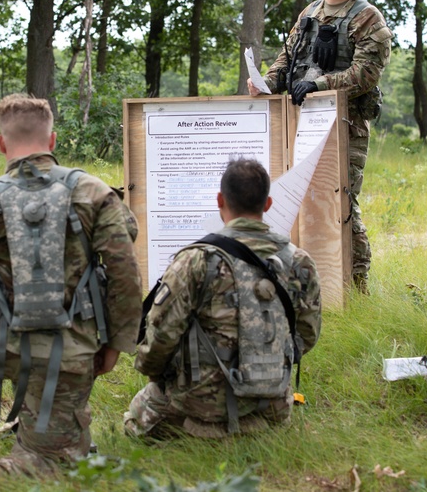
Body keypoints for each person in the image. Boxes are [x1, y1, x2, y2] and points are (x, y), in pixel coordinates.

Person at [0, 93, 142, 491]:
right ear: (52, 141)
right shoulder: (96, 195)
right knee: (53, 464)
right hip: (72, 356)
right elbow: (125, 277)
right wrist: (114, 345)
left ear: (1, 144)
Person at [124, 158, 321, 439]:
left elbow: (160, 336)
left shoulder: (195, 260)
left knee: (136, 413)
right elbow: (307, 334)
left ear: (220, 200)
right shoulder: (299, 261)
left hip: (201, 405)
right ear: (267, 204)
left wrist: (156, 374)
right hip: (272, 404)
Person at [249, 0, 393, 292]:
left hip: (346, 124)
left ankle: (357, 286)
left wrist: (319, 85)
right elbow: (287, 59)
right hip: (301, 121)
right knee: (300, 199)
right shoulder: (309, 13)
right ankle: (313, 281)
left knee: (342, 199)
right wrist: (265, 82)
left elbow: (365, 74)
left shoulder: (368, 18)